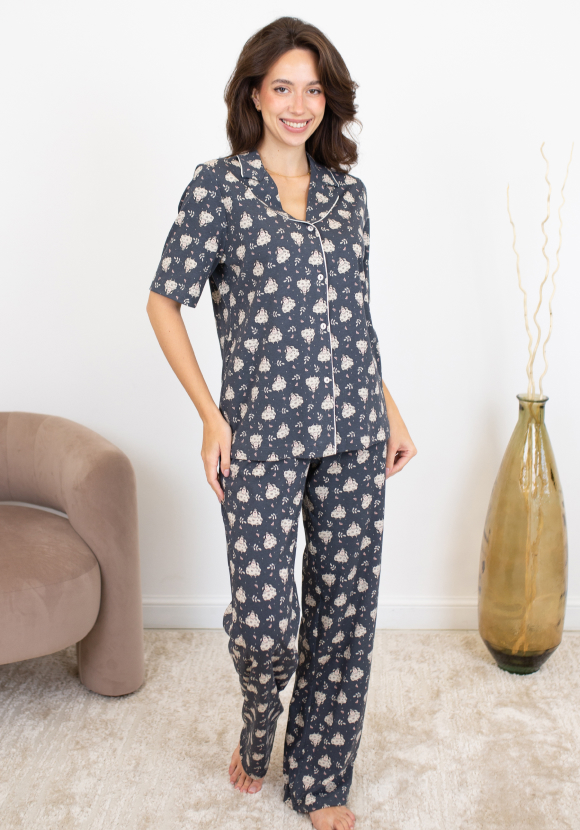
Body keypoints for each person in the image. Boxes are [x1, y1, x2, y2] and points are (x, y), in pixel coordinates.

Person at [146, 15, 417, 830]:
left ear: (329, 99)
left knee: (344, 612)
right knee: (267, 628)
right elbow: (163, 302)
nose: (299, 105)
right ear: (255, 96)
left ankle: (321, 782)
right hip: (258, 436)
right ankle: (258, 724)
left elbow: (352, 320)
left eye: (313, 90)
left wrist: (390, 411)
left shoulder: (348, 196)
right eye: (282, 88)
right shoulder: (218, 189)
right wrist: (210, 417)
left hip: (354, 430)